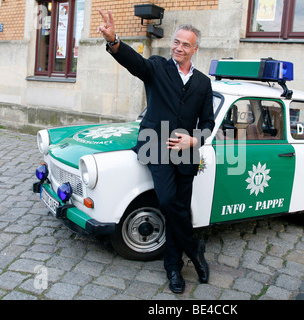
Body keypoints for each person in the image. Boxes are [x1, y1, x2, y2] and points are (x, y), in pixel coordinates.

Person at [97, 9, 215, 294]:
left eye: (185, 44)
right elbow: (133, 62)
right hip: (155, 147)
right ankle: (195, 248)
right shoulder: (157, 67)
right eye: (176, 42)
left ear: (194, 49)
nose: (178, 47)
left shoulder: (203, 82)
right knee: (167, 200)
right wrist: (114, 40)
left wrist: (194, 140)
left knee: (180, 209)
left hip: (187, 155)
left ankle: (173, 267)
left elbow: (209, 123)